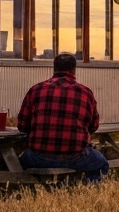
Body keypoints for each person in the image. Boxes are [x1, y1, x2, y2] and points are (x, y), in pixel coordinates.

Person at [17, 52, 107, 183]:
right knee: (101, 163)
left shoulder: (35, 90)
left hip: (38, 157)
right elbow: (93, 125)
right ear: (74, 70)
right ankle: (88, 194)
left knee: (14, 161)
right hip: (75, 157)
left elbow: (22, 125)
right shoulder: (86, 93)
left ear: (54, 69)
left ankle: (31, 195)